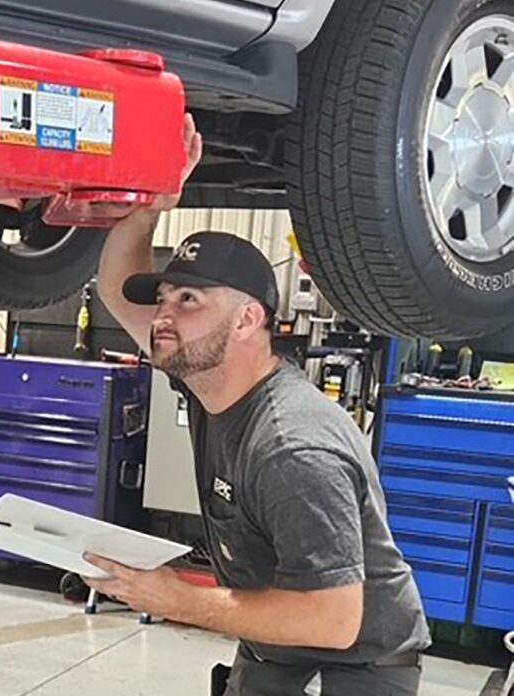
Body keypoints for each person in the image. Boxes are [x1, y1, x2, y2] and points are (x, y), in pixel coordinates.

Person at [83, 114, 432, 696]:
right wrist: (151, 205)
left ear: (248, 320)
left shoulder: (293, 447)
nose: (164, 316)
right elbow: (120, 285)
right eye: (164, 298)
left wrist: (181, 599)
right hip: (278, 649)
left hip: (351, 667)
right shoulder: (205, 377)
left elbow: (334, 620)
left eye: (189, 299)